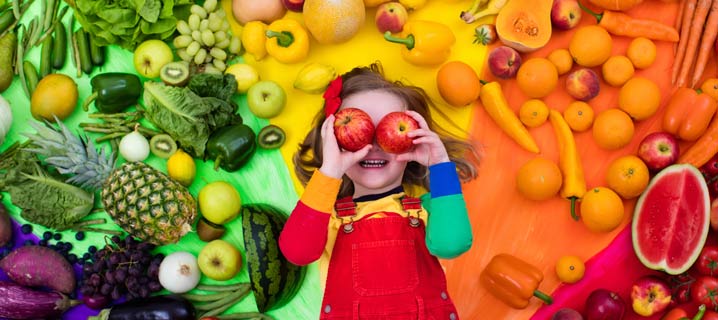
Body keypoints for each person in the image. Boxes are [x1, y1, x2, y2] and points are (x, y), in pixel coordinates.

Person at [279, 62, 481, 319]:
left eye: (389, 129)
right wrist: (330, 170)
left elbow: (451, 244)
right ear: (332, 141)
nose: (374, 145)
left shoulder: (427, 210)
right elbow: (297, 251)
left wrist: (439, 165)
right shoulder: (326, 218)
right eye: (359, 133)